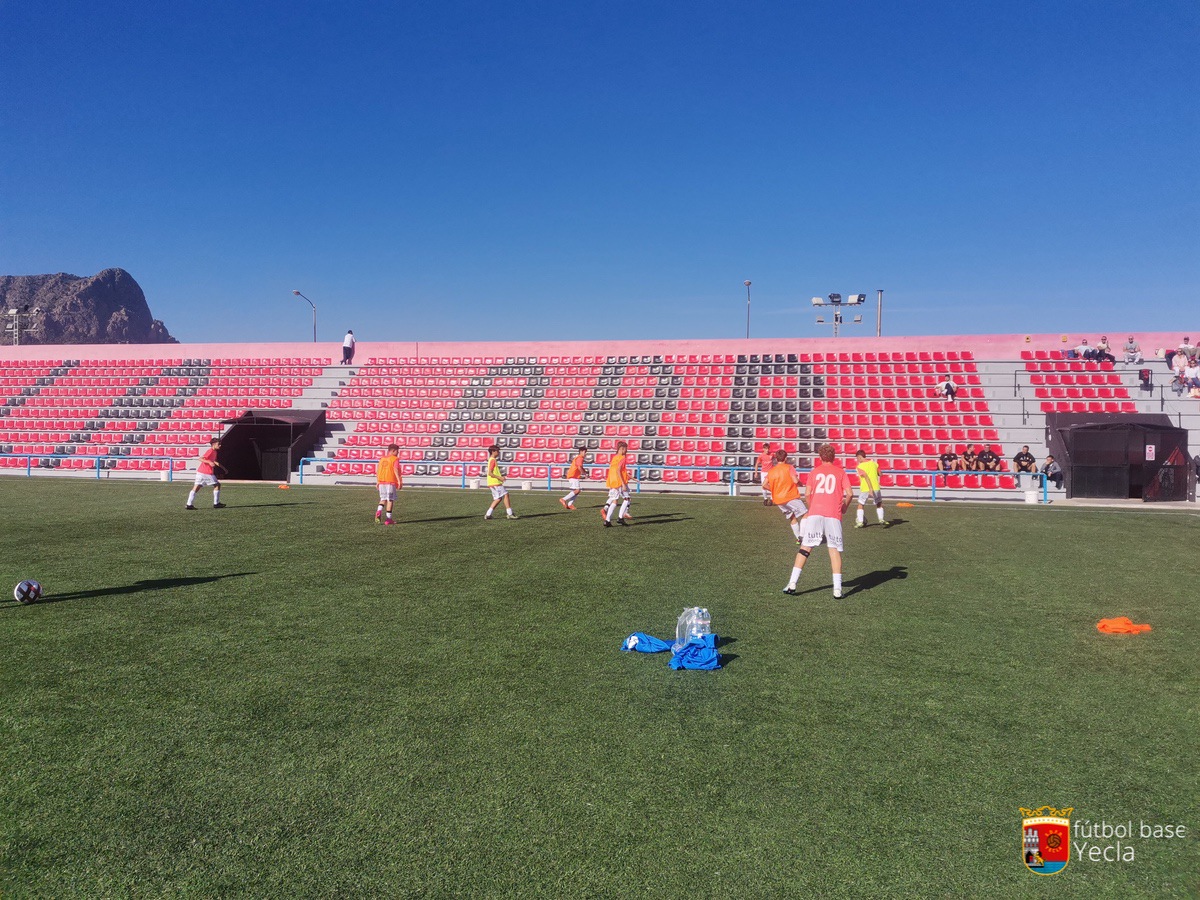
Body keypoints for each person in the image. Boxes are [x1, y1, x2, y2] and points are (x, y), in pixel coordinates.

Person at [783, 444, 852, 599]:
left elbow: (807, 493)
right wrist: (845, 508)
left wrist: (813, 506)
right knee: (833, 550)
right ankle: (837, 589)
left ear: (820, 458)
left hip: (815, 513)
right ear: (834, 457)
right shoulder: (840, 472)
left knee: (805, 547)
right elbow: (850, 493)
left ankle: (792, 583)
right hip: (833, 514)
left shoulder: (814, 472)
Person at [763, 449, 807, 543]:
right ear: (786, 458)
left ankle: (798, 538)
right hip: (790, 496)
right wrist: (800, 483)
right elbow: (795, 481)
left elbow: (764, 485)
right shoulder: (789, 467)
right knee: (806, 514)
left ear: (776, 459)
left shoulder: (771, 471)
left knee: (792, 517)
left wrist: (774, 490)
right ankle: (802, 536)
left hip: (779, 500)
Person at [602, 441, 636, 526]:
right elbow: (618, 470)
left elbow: (617, 470)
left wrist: (631, 477)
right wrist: (623, 484)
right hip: (619, 482)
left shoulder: (614, 458)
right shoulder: (622, 458)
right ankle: (620, 518)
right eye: (625, 449)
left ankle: (607, 520)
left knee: (614, 501)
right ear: (622, 449)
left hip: (612, 481)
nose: (626, 451)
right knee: (627, 499)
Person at [185, 438, 225, 509]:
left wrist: (224, 468)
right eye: (218, 444)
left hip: (200, 472)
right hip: (206, 473)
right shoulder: (210, 451)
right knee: (217, 485)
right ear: (213, 444)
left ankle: (189, 504)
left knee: (196, 487)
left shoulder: (214, 452)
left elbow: (214, 461)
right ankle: (216, 503)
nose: (220, 445)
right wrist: (209, 462)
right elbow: (201, 459)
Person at [853, 450, 888, 528]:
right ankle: (881, 519)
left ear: (859, 457)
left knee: (861, 504)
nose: (857, 460)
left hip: (866, 488)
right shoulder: (874, 463)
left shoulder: (859, 467)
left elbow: (866, 477)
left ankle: (860, 522)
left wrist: (870, 489)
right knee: (879, 503)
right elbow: (880, 474)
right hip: (876, 487)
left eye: (857, 458)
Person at [484, 444, 518, 520]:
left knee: (498, 499)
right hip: (495, 482)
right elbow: (490, 473)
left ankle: (488, 514)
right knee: (506, 494)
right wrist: (500, 477)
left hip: (492, 482)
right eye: (497, 451)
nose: (498, 453)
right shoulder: (492, 460)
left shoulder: (491, 459)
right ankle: (510, 513)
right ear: (493, 451)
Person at [374, 443, 403, 525]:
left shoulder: (382, 459)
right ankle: (388, 519)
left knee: (383, 499)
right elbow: (395, 470)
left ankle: (379, 511)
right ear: (393, 451)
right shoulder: (395, 459)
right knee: (390, 500)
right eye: (397, 451)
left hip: (382, 481)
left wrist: (378, 481)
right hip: (390, 482)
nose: (398, 453)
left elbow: (378, 470)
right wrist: (399, 480)